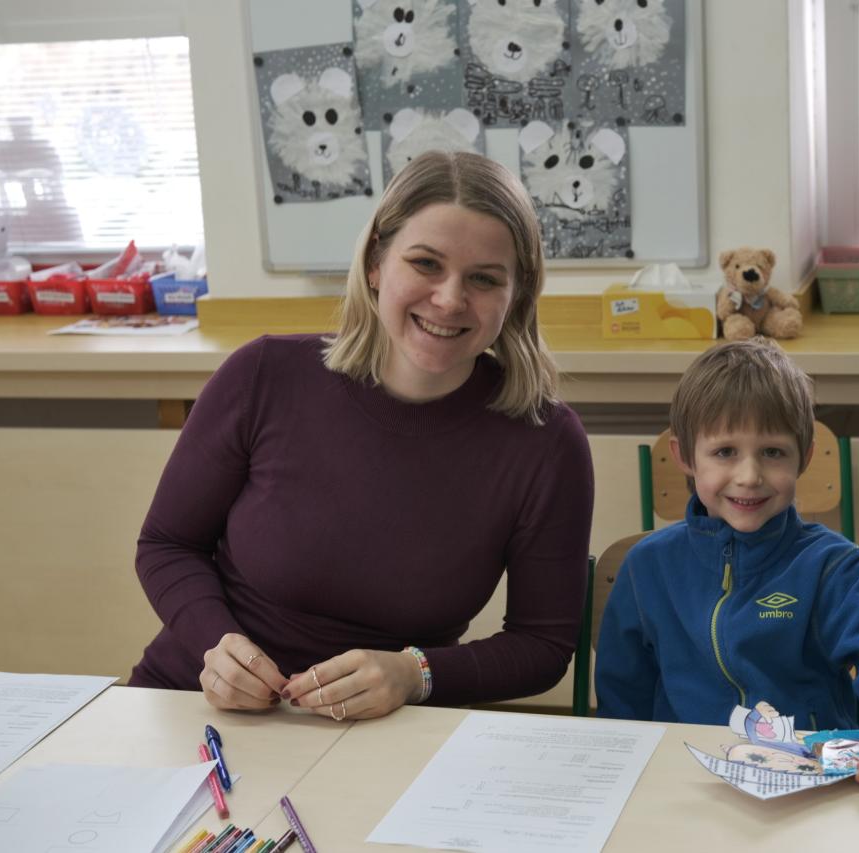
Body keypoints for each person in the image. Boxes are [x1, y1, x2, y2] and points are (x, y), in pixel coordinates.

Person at [130, 151, 594, 722]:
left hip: (384, 735)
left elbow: (542, 646)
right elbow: (167, 544)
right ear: (376, 263)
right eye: (426, 264)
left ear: (517, 294)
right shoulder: (263, 375)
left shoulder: (546, 442)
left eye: (484, 278)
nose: (450, 299)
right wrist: (215, 646)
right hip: (196, 703)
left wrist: (416, 674)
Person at [594, 339, 859, 785]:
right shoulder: (646, 567)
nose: (749, 476)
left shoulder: (830, 565)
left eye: (773, 452)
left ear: (804, 456)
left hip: (813, 781)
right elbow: (622, 702)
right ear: (684, 456)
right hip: (687, 781)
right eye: (725, 452)